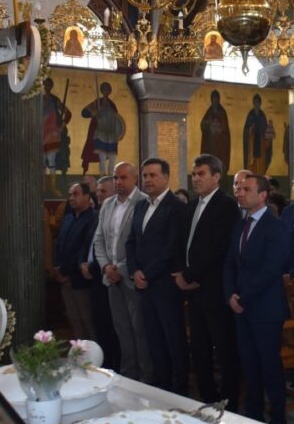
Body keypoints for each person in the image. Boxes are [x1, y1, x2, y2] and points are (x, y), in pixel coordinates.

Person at [176, 154, 241, 410]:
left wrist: (190, 275)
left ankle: (229, 401)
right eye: (194, 174)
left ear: (216, 176)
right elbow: (185, 243)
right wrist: (183, 272)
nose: (196, 179)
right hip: (193, 290)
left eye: (201, 174)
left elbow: (218, 249)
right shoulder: (192, 205)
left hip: (214, 288)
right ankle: (207, 396)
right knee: (199, 347)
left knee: (223, 348)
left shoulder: (226, 206)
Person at [224, 174, 290, 424]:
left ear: (262, 195)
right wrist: (230, 294)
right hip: (241, 307)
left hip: (266, 309)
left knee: (269, 366)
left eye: (247, 189)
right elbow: (230, 263)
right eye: (239, 188)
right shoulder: (239, 225)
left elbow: (271, 269)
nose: (240, 193)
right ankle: (254, 417)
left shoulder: (275, 226)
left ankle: (278, 420)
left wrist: (244, 296)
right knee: (249, 366)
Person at [126, 158, 189, 394]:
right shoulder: (140, 206)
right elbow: (131, 242)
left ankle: (179, 390)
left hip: (165, 285)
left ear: (166, 177)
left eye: (153, 175)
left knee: (173, 339)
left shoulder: (176, 207)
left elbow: (171, 248)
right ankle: (162, 388)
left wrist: (147, 274)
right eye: (145, 175)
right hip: (144, 285)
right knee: (153, 338)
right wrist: (134, 271)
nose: (148, 180)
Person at [92, 162, 151, 381]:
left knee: (140, 330)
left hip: (132, 277)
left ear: (135, 179)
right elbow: (99, 239)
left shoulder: (143, 202)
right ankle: (128, 376)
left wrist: (123, 268)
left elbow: (141, 244)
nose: (118, 182)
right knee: (122, 330)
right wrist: (106, 266)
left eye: (123, 178)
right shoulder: (108, 204)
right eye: (116, 178)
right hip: (111, 278)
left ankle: (145, 377)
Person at [80, 176, 121, 372]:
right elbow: (91, 243)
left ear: (114, 192)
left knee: (113, 329)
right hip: (95, 280)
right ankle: (103, 366)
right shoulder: (96, 215)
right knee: (99, 327)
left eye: (103, 191)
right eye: (97, 191)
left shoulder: (117, 215)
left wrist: (96, 267)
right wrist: (83, 264)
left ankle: (115, 367)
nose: (98, 195)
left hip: (109, 276)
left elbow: (113, 248)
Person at [53, 183, 97, 339]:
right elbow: (59, 244)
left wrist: (67, 271)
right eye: (70, 194)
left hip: (81, 279)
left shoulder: (93, 219)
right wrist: (57, 268)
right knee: (74, 319)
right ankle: (79, 351)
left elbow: (84, 250)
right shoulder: (67, 219)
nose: (71, 198)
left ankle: (93, 352)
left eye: (76, 194)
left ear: (87, 196)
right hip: (64, 278)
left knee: (88, 319)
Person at [81, 82, 123, 175]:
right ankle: (102, 176)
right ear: (101, 90)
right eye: (104, 89)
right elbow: (84, 113)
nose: (105, 91)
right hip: (100, 134)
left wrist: (118, 134)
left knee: (112, 157)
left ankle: (111, 176)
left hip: (111, 135)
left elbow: (117, 120)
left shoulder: (112, 105)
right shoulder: (97, 103)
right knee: (102, 157)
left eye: (107, 89)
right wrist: (95, 112)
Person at [41, 77, 71, 177]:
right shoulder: (39, 100)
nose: (47, 87)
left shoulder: (54, 100)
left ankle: (52, 183)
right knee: (42, 160)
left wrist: (62, 126)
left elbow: (68, 114)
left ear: (51, 86)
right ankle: (43, 182)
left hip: (53, 134)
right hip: (41, 133)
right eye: (45, 85)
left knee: (51, 159)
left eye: (48, 85)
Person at [200, 90, 231, 172]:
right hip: (210, 145)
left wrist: (218, 129)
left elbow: (225, 130)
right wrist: (209, 125)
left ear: (218, 99)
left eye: (216, 98)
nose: (214, 100)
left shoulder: (222, 112)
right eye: (213, 98)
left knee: (217, 165)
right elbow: (203, 124)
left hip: (220, 145)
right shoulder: (209, 112)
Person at [243, 94, 272, 174]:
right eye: (255, 102)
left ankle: (260, 176)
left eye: (258, 102)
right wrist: (251, 128)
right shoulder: (250, 115)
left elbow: (265, 130)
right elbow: (246, 130)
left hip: (260, 143)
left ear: (260, 103)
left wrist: (268, 134)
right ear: (253, 103)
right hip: (252, 144)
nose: (257, 104)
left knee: (260, 164)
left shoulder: (262, 115)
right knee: (252, 163)